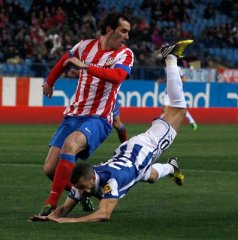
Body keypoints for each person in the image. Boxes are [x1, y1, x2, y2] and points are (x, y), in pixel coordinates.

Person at [29, 40, 193, 223]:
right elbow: (65, 208)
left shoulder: (111, 182)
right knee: (149, 175)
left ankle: (170, 58)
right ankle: (171, 167)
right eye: (80, 189)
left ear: (92, 178)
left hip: (145, 147)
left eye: (82, 188)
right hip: (128, 156)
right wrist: (49, 217)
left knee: (179, 111)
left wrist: (68, 221)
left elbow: (104, 214)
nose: (81, 192)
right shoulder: (86, 181)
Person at [39, 12, 134, 216]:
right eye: (123, 31)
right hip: (73, 114)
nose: (127, 36)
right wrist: (49, 82)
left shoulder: (125, 54)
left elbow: (117, 76)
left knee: (71, 144)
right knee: (50, 170)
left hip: (99, 118)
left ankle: (51, 204)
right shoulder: (85, 46)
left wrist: (87, 67)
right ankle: (81, 193)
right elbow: (65, 60)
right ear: (110, 29)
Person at [159, 66, 198, 131]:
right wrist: (162, 80)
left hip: (176, 92)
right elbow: (168, 79)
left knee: (181, 108)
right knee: (164, 109)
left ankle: (192, 121)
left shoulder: (177, 68)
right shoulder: (166, 68)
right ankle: (161, 127)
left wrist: (176, 79)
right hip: (168, 92)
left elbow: (184, 79)